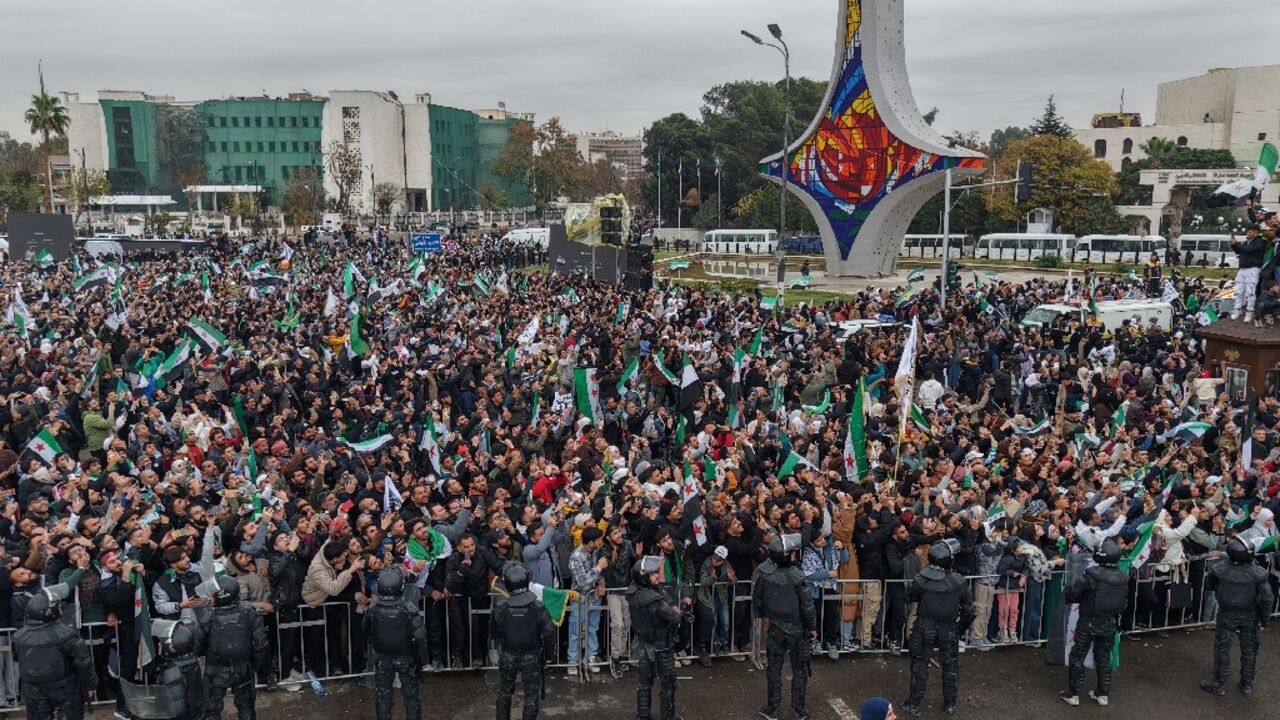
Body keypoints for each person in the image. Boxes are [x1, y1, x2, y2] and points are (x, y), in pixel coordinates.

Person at [902, 539, 975, 718]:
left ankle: (915, 703)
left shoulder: (922, 579)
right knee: (949, 666)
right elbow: (969, 610)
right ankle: (949, 703)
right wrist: (959, 628)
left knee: (921, 665)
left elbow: (910, 596)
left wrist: (958, 628)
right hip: (946, 628)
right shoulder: (958, 581)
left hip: (926, 626)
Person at [1198, 538, 1274, 696]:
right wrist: (1264, 619)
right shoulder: (1256, 574)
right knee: (1248, 651)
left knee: (1223, 649)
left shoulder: (1220, 569)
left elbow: (1209, 584)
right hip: (1248, 616)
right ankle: (1246, 684)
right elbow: (1267, 598)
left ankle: (1219, 683)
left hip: (1228, 614)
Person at [753, 533, 816, 720]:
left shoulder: (765, 574)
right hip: (797, 630)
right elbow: (807, 605)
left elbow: (757, 600)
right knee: (799, 671)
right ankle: (799, 709)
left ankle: (772, 707)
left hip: (775, 628)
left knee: (774, 669)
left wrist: (763, 615)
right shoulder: (797, 577)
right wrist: (812, 627)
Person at [1059, 540, 1128, 708]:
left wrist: (1070, 592)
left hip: (1088, 621)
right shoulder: (1122, 576)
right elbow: (1124, 603)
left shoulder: (1092, 574)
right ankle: (1103, 694)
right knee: (1103, 657)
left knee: (1077, 655)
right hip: (1110, 623)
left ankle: (1073, 693)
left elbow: (1073, 593)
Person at [13, 585, 96, 720]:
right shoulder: (67, 635)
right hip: (64, 688)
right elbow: (84, 663)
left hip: (34, 689)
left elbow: (17, 658)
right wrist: (91, 686)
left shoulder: (18, 637)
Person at [491, 562, 557, 720]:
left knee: (504, 692)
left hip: (508, 654)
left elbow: (494, 633)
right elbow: (549, 633)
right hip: (531, 656)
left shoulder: (500, 607)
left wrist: (498, 651)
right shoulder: (538, 607)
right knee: (531, 696)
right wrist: (549, 654)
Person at [199, 575, 269, 720]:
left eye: (212, 594)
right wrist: (255, 666)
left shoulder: (209, 617)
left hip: (217, 670)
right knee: (245, 708)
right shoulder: (249, 611)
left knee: (213, 709)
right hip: (241, 669)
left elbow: (198, 646)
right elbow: (260, 644)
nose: (209, 597)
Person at [364, 567, 428, 720]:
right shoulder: (409, 609)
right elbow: (420, 636)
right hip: (406, 658)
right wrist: (423, 660)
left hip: (382, 659)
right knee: (411, 697)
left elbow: (364, 629)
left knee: (383, 698)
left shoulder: (373, 609)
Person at [628, 555, 682, 720]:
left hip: (644, 645)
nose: (656, 576)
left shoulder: (633, 593)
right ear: (644, 577)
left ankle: (643, 715)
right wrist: (679, 613)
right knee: (668, 682)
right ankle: (668, 716)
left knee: (644, 683)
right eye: (652, 574)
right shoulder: (655, 601)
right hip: (661, 646)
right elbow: (673, 617)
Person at [128, 619, 204, 720]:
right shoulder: (190, 660)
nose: (159, 644)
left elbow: (173, 709)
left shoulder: (171, 672)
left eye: (161, 642)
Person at [1230, 226, 1266, 322]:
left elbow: (1248, 250)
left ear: (1256, 232)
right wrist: (1234, 245)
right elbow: (1239, 251)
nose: (1248, 234)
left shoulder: (1260, 242)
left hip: (1253, 268)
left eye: (1250, 232)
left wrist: (1237, 244)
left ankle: (1250, 311)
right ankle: (1237, 308)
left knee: (1250, 291)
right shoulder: (1247, 242)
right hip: (1243, 267)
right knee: (1239, 289)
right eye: (1247, 232)